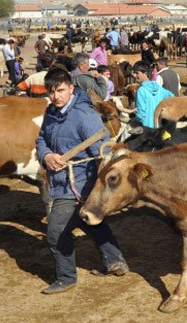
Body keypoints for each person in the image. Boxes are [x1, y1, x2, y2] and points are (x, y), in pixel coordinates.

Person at [35, 67, 129, 295]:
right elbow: (41, 140)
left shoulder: (83, 115)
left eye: (60, 90)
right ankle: (115, 260)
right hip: (60, 179)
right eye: (51, 92)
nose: (56, 96)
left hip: (79, 183)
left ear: (70, 88)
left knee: (56, 232)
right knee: (89, 222)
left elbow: (103, 148)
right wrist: (47, 155)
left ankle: (66, 277)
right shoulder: (51, 113)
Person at [132, 61, 174, 128]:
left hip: (147, 129)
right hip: (159, 127)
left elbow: (141, 114)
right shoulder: (159, 88)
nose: (134, 75)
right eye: (134, 73)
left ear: (145, 73)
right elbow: (172, 97)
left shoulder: (141, 91)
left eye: (137, 73)